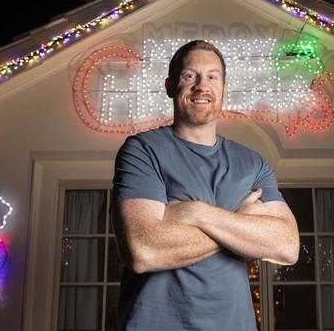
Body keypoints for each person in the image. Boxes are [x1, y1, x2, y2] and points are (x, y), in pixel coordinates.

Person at [111, 40, 299, 330]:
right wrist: (241, 228)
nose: (202, 86)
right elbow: (142, 251)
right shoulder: (142, 150)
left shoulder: (253, 163)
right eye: (190, 76)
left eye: (212, 77)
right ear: (170, 86)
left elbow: (286, 246)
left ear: (224, 89)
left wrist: (198, 213)